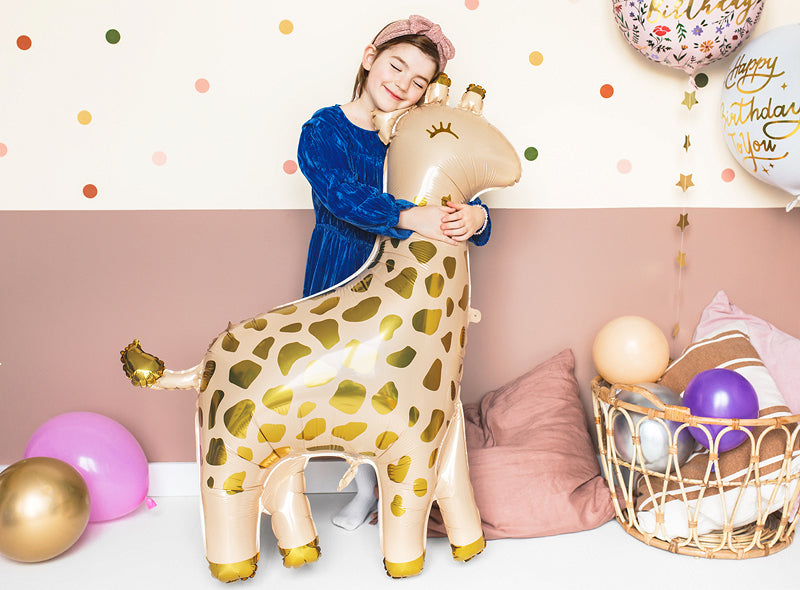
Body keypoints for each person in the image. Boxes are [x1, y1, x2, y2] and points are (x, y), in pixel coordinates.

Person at [296, 15, 492, 530]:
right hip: (344, 267)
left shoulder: (419, 132)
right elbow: (340, 194)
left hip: (408, 284)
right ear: (370, 58)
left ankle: (403, 485)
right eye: (396, 66)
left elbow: (460, 180)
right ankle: (364, 487)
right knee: (349, 382)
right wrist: (409, 217)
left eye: (419, 81)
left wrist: (477, 218)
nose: (403, 84)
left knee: (398, 382)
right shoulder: (323, 129)